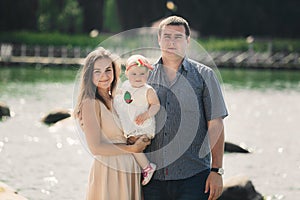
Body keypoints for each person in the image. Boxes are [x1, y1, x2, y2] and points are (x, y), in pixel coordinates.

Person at [143, 16, 228, 200]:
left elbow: (216, 124)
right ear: (159, 39)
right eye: (167, 36)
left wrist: (217, 170)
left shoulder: (205, 76)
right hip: (152, 180)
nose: (171, 42)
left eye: (178, 37)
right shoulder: (144, 76)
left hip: (194, 177)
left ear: (187, 41)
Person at [74, 47, 150, 200]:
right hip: (109, 171)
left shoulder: (116, 100)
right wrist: (132, 148)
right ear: (89, 75)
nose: (104, 75)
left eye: (108, 70)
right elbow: (95, 147)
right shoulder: (90, 103)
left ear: (115, 72)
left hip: (129, 170)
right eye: (97, 71)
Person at [113, 54, 160, 185]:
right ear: (127, 73)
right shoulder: (126, 85)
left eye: (142, 74)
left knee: (134, 145)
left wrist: (146, 114)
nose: (138, 77)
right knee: (130, 144)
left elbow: (156, 105)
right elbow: (121, 98)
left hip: (143, 127)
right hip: (132, 126)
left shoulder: (148, 90)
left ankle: (147, 167)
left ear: (148, 74)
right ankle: (141, 168)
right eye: (134, 74)